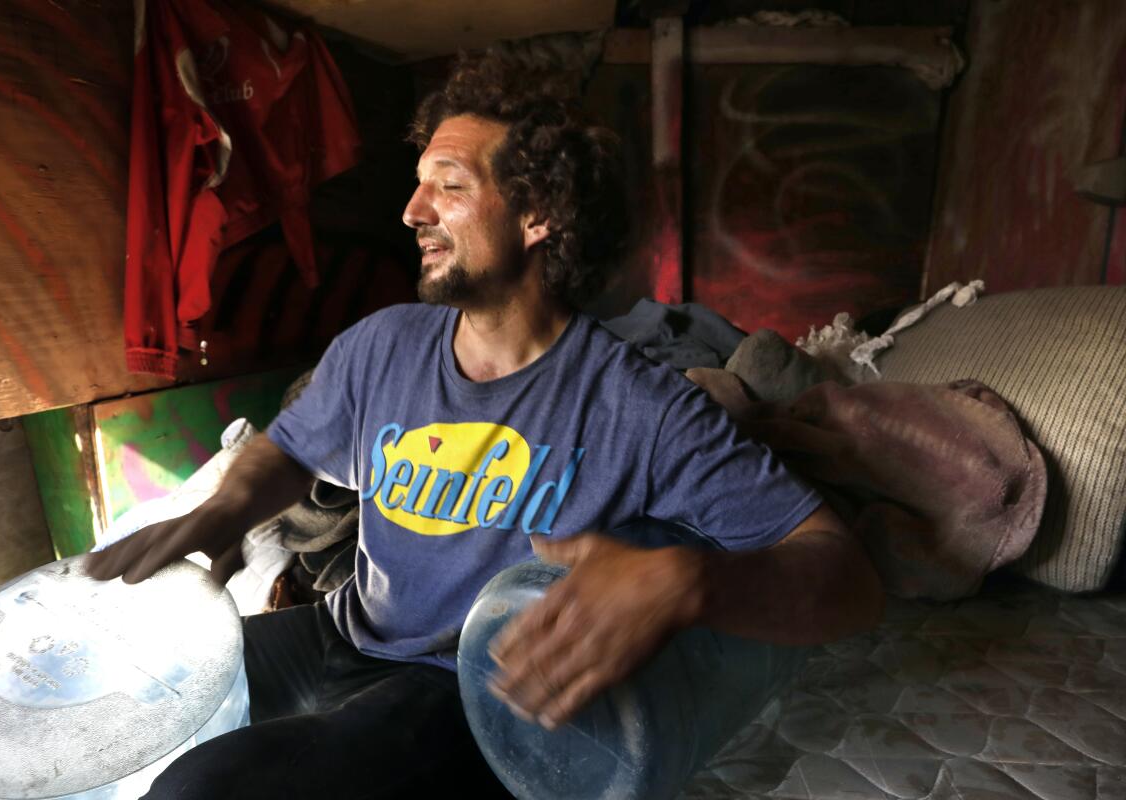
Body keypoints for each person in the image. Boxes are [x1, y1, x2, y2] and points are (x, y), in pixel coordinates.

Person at [86, 52, 883, 798]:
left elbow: (845, 578)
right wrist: (226, 509)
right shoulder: (380, 345)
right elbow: (291, 449)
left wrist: (690, 580)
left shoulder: (640, 406)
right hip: (338, 634)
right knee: (114, 709)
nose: (411, 212)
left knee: (209, 788)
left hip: (462, 689)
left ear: (537, 214)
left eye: (449, 187)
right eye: (418, 183)